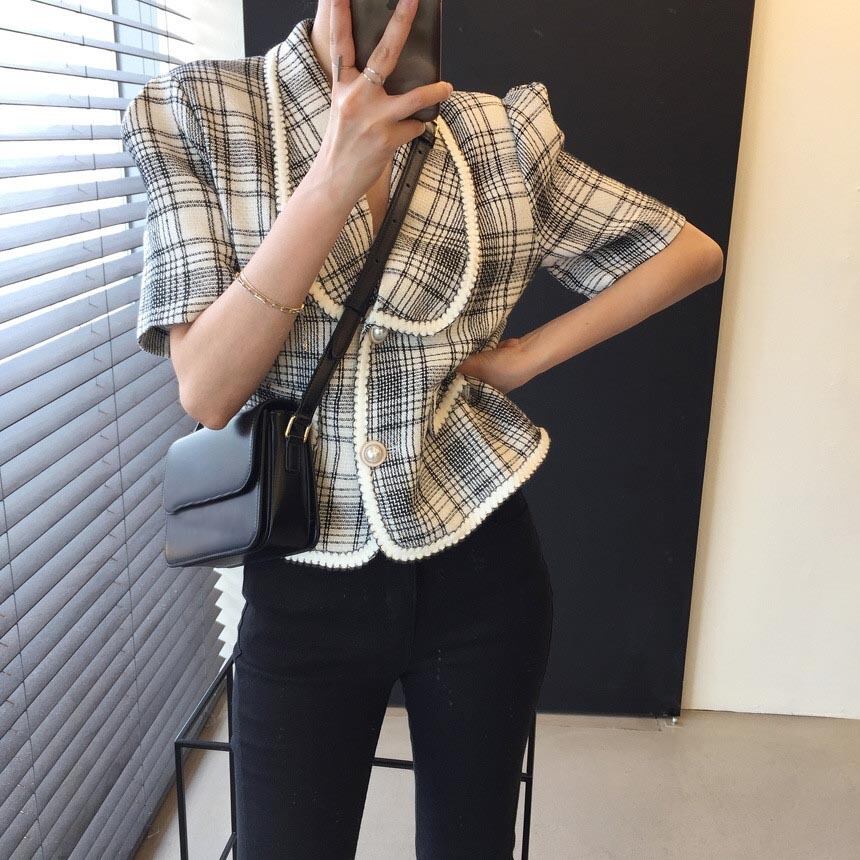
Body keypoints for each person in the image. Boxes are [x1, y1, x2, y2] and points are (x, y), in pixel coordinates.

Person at [120, 0, 724, 855]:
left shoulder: (497, 135)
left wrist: (525, 357)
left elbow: (690, 252)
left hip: (482, 570)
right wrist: (335, 176)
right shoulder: (204, 112)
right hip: (304, 577)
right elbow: (209, 389)